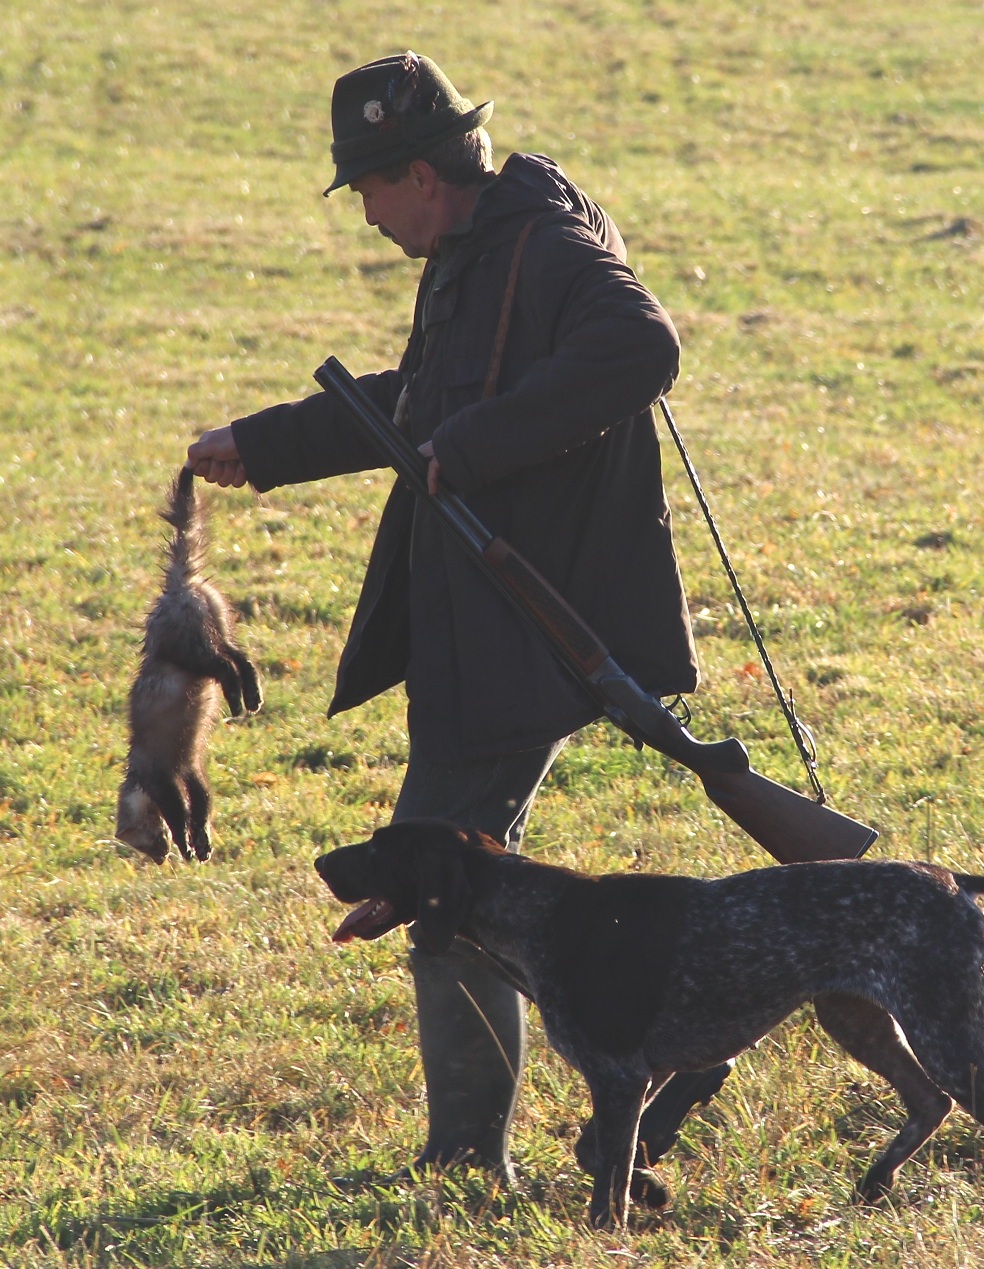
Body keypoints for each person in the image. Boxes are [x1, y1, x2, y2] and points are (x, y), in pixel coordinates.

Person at [188, 51, 732, 1184]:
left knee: (442, 883)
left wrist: (472, 450)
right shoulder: (475, 249)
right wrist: (271, 442)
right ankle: (544, 1130)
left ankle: (470, 1158)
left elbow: (643, 350)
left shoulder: (546, 245)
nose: (370, 217)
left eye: (370, 191)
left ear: (417, 174)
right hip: (477, 623)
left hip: (521, 628)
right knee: (470, 881)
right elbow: (425, 404)